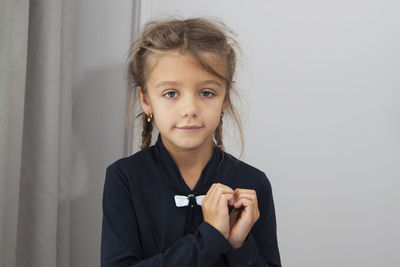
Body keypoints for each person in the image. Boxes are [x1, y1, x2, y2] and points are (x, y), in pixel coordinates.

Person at [101, 17, 282, 267]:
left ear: (224, 100)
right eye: (171, 93)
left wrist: (240, 245)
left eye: (206, 93)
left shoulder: (253, 183)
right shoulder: (125, 178)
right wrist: (210, 237)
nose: (189, 108)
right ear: (146, 100)